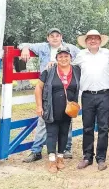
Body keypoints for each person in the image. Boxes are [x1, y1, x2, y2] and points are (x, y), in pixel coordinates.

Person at [20, 28, 80, 163]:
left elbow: (83, 57)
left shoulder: (70, 48)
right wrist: (24, 48)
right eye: (51, 36)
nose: (54, 38)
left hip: (66, 88)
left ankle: (66, 148)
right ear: (48, 38)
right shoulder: (42, 47)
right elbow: (23, 44)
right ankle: (36, 150)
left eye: (57, 36)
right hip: (48, 89)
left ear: (61, 37)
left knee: (67, 118)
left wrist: (71, 66)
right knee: (44, 121)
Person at [34, 46, 81, 173]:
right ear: (56, 58)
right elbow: (38, 88)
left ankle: (60, 158)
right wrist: (39, 106)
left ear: (71, 58)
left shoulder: (76, 70)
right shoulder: (49, 71)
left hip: (68, 109)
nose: (64, 58)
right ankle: (51, 160)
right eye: (60, 56)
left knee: (64, 133)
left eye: (66, 56)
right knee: (51, 134)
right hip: (51, 108)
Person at [73, 30, 109, 171]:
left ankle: (101, 158)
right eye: (90, 39)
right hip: (87, 95)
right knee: (87, 127)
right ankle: (87, 157)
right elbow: (67, 64)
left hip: (104, 94)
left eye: (96, 38)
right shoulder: (80, 55)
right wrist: (53, 62)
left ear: (100, 41)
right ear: (86, 41)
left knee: (103, 127)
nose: (93, 41)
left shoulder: (108, 54)